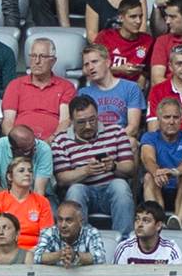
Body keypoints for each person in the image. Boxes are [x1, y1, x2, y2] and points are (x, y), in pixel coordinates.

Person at [52, 95, 135, 232]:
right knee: (76, 189)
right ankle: (78, 242)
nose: (88, 126)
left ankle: (125, 243)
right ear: (71, 121)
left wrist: (114, 166)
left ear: (98, 116)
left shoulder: (116, 131)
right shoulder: (61, 141)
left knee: (120, 185)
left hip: (111, 191)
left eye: (92, 120)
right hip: (83, 193)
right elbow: (61, 179)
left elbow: (130, 168)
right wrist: (86, 171)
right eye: (81, 122)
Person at [139, 98, 182, 229]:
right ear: (159, 119)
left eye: (176, 117)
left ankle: (178, 222)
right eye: (167, 117)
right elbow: (147, 158)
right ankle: (157, 222)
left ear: (181, 119)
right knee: (149, 177)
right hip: (159, 188)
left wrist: (176, 172)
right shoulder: (149, 137)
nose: (171, 121)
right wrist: (157, 172)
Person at [1, 38, 75, 140]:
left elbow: (65, 121)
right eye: (33, 56)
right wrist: (18, 142)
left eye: (43, 56)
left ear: (53, 61)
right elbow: (8, 122)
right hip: (18, 144)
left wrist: (49, 142)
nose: (37, 61)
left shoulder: (66, 87)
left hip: (54, 143)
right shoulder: (15, 85)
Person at [0, 156, 54, 248]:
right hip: (6, 253)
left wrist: (31, 254)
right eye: (21, 171)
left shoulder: (42, 202)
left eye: (30, 171)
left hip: (35, 254)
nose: (27, 174)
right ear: (10, 176)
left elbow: (47, 238)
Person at [31, 200, 106, 266]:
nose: (63, 225)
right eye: (60, 220)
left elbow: (101, 257)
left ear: (80, 222)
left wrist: (76, 256)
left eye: (69, 220)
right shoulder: (49, 232)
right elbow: (36, 257)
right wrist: (59, 255)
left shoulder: (91, 233)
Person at [112, 200, 182, 264]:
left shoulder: (171, 251)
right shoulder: (124, 248)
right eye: (137, 219)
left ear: (158, 225)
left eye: (146, 220)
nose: (139, 224)